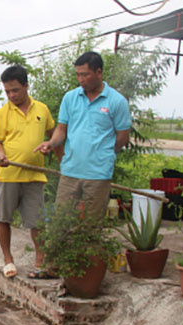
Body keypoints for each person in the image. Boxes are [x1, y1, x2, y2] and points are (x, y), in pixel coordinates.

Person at [34, 51, 131, 218]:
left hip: (98, 175)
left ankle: (90, 245)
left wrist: (103, 152)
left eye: (85, 74)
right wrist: (51, 143)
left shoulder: (117, 101)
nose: (80, 79)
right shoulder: (70, 98)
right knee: (62, 221)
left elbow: (123, 137)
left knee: (91, 226)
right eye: (78, 75)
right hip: (70, 171)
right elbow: (62, 129)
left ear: (98, 72)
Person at [0, 65, 55, 279]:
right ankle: (8, 259)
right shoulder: (2, 114)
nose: (11, 95)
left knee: (36, 220)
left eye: (15, 90)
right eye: (7, 91)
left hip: (34, 174)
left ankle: (40, 260)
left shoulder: (42, 110)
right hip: (8, 175)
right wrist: (0, 155)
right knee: (3, 218)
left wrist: (50, 145)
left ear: (26, 86)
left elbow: (53, 135)